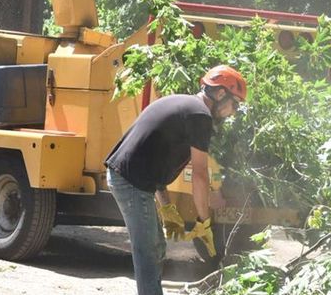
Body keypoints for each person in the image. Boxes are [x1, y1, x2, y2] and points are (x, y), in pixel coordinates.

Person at [104, 65, 247, 295]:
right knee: (147, 251)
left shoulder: (188, 107)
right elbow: (199, 176)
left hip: (133, 177)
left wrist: (167, 208)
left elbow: (157, 163)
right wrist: (204, 222)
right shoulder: (200, 116)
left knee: (157, 246)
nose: (233, 112)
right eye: (235, 104)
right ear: (220, 94)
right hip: (129, 180)